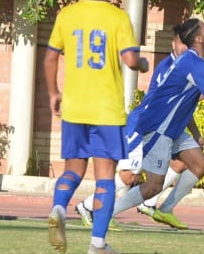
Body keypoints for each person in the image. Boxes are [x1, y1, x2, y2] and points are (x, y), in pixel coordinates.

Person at [111, 18, 204, 230]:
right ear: (199, 38)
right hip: (158, 128)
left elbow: (185, 102)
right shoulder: (193, 63)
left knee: (199, 164)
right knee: (152, 186)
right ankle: (106, 212)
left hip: (172, 128)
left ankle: (165, 209)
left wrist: (196, 134)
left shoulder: (192, 62)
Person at [45, 0, 147, 254]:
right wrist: (143, 64)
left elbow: (50, 57)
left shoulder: (68, 14)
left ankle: (59, 207)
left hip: (75, 107)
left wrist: (53, 92)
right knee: (105, 178)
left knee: (73, 170)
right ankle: (97, 244)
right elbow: (131, 61)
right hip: (106, 111)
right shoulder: (118, 17)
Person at [73, 23, 192, 228]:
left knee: (182, 161)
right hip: (142, 126)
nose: (186, 48)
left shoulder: (185, 68)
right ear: (174, 44)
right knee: (129, 176)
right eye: (182, 43)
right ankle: (87, 206)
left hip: (161, 130)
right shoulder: (169, 68)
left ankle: (150, 203)